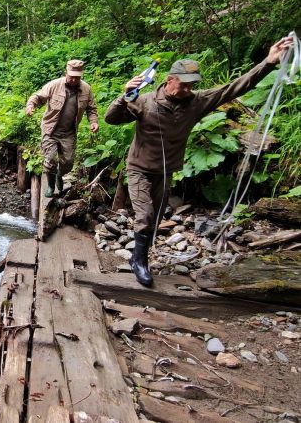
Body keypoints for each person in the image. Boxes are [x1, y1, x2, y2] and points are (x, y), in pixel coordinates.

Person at [105, 36, 294, 287]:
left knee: (157, 217)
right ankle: (138, 262)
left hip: (167, 170)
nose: (187, 90)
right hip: (139, 167)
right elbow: (111, 119)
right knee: (145, 214)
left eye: (191, 85)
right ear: (170, 80)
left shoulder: (197, 102)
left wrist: (269, 61)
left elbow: (236, 86)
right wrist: (124, 96)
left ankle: (143, 255)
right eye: (183, 84)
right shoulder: (144, 100)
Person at [26, 59, 99, 197]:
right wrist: (31, 106)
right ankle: (51, 186)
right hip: (50, 130)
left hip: (69, 132)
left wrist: (93, 122)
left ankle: (60, 175)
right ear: (66, 72)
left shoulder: (86, 89)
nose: (73, 79)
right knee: (51, 159)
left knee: (68, 163)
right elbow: (38, 97)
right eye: (71, 76)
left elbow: (91, 108)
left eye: (77, 77)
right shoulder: (54, 85)